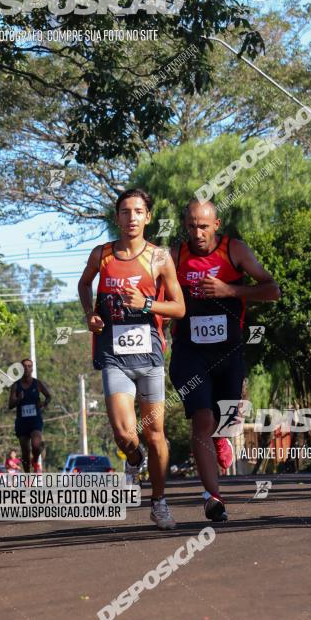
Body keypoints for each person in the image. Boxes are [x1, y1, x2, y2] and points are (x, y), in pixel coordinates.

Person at [78, 188, 186, 531]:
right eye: (125, 212)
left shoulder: (159, 258)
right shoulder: (102, 255)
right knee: (124, 432)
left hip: (150, 356)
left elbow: (180, 309)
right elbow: (84, 285)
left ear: (148, 217)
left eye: (138, 211)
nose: (132, 218)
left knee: (156, 435)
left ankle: (159, 502)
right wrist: (89, 314)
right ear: (117, 217)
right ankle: (134, 458)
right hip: (114, 355)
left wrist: (147, 304)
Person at [170, 200, 280, 523]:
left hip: (228, 352)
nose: (197, 232)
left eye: (203, 226)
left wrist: (228, 290)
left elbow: (272, 290)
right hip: (189, 351)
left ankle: (221, 437)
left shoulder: (235, 251)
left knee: (225, 417)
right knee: (201, 418)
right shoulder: (175, 255)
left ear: (216, 224)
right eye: (191, 226)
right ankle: (213, 496)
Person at [8, 359, 51, 473]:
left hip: (35, 419)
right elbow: (10, 405)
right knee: (25, 452)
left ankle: (35, 460)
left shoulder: (37, 383)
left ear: (32, 369)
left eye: (29, 366)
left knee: (36, 445)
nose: (27, 368)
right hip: (22, 422)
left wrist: (43, 403)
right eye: (24, 366)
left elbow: (48, 396)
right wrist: (18, 399)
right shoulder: (16, 386)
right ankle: (28, 476)